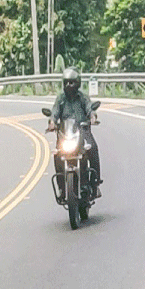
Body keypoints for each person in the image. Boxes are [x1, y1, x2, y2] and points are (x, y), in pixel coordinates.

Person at [47, 67, 102, 196]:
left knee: (93, 148)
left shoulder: (83, 98)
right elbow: (54, 112)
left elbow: (89, 108)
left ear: (77, 83)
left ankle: (95, 183)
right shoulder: (60, 99)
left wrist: (92, 117)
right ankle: (61, 187)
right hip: (65, 134)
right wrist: (52, 122)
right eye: (66, 82)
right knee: (57, 155)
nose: (68, 85)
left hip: (82, 131)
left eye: (71, 82)